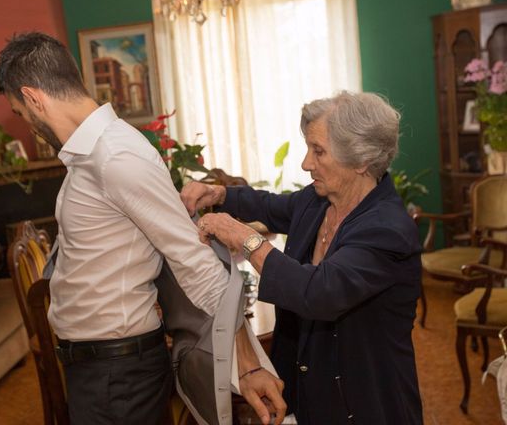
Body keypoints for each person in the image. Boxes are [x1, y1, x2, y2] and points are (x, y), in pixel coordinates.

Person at [0, 32, 286, 425]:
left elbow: (194, 261)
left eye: (21, 112)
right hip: (101, 371)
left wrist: (248, 365)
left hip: (117, 377)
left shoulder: (116, 157)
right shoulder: (91, 155)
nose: (27, 124)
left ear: (33, 97)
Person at [181, 91, 423, 424]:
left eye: (318, 151)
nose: (306, 163)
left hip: (366, 404)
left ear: (361, 159)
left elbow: (318, 292)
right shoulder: (318, 199)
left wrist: (241, 235)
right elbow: (271, 206)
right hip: (309, 396)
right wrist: (219, 193)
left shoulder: (387, 230)